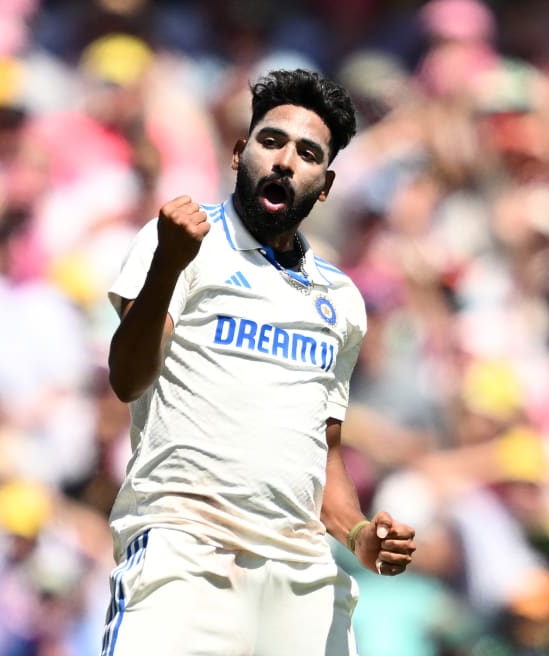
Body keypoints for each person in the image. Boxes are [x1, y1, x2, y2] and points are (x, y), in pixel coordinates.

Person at [102, 68, 417, 655]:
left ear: (324, 185)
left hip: (301, 573)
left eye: (307, 153)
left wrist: (358, 535)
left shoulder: (342, 300)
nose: (284, 160)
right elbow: (127, 378)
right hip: (187, 546)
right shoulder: (180, 242)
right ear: (239, 152)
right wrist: (168, 265)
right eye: (271, 141)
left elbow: (325, 453)